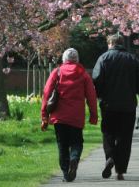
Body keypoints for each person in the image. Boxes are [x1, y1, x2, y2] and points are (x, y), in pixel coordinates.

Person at [92, 33, 139, 181]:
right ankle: (120, 170)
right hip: (128, 106)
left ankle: (110, 157)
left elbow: (96, 79)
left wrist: (98, 96)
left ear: (110, 43)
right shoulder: (132, 59)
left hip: (108, 105)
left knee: (108, 133)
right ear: (121, 43)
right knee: (125, 138)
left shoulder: (103, 58)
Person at [41, 48, 98, 182]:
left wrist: (44, 116)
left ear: (64, 59)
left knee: (62, 145)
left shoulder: (57, 72)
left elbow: (46, 94)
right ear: (77, 60)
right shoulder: (84, 75)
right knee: (77, 143)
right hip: (76, 117)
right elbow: (91, 96)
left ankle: (66, 173)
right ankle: (74, 159)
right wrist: (93, 116)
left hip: (59, 117)